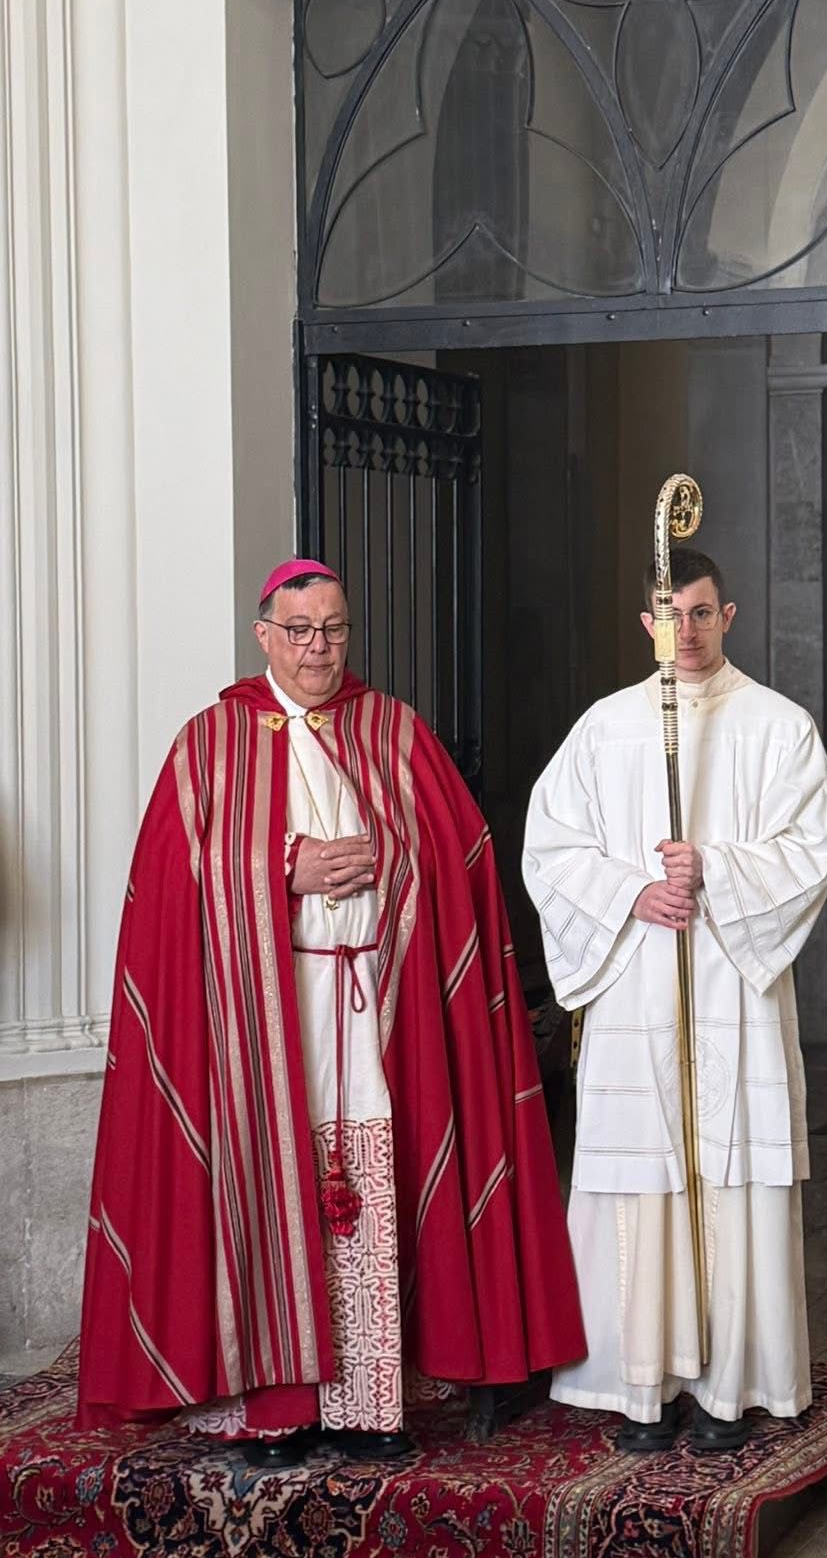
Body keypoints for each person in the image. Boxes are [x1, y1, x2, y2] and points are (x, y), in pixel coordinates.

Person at [78, 559, 584, 1460]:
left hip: (376, 1004)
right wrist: (283, 866)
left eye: (335, 629)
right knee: (271, 1188)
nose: (319, 648)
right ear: (264, 636)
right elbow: (167, 881)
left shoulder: (391, 729)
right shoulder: (212, 741)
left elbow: (458, 849)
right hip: (262, 1015)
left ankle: (367, 1404)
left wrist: (396, 859)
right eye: (301, 631)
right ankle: (275, 1410)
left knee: (371, 1190)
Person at [523, 548, 827, 1452]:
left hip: (733, 989)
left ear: (728, 616)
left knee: (731, 1174)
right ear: (647, 624)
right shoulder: (605, 729)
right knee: (644, 1177)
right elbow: (551, 848)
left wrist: (717, 872)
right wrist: (633, 892)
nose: (687, 632)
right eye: (671, 616)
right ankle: (644, 1383)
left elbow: (813, 848)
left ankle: (729, 1386)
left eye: (702, 613)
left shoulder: (778, 727)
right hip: (638, 985)